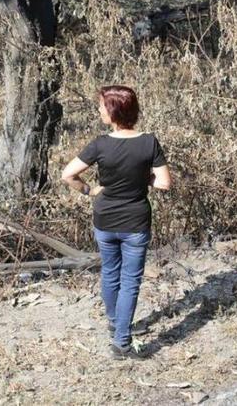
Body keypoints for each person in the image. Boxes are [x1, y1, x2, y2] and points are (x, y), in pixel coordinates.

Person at [60, 85, 171, 359]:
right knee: (130, 281)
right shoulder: (149, 142)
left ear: (113, 111)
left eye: (101, 106)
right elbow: (164, 183)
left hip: (105, 219)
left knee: (110, 272)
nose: (99, 110)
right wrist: (142, 177)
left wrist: (89, 190)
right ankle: (121, 342)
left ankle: (115, 323)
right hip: (135, 222)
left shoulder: (100, 144)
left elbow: (68, 175)